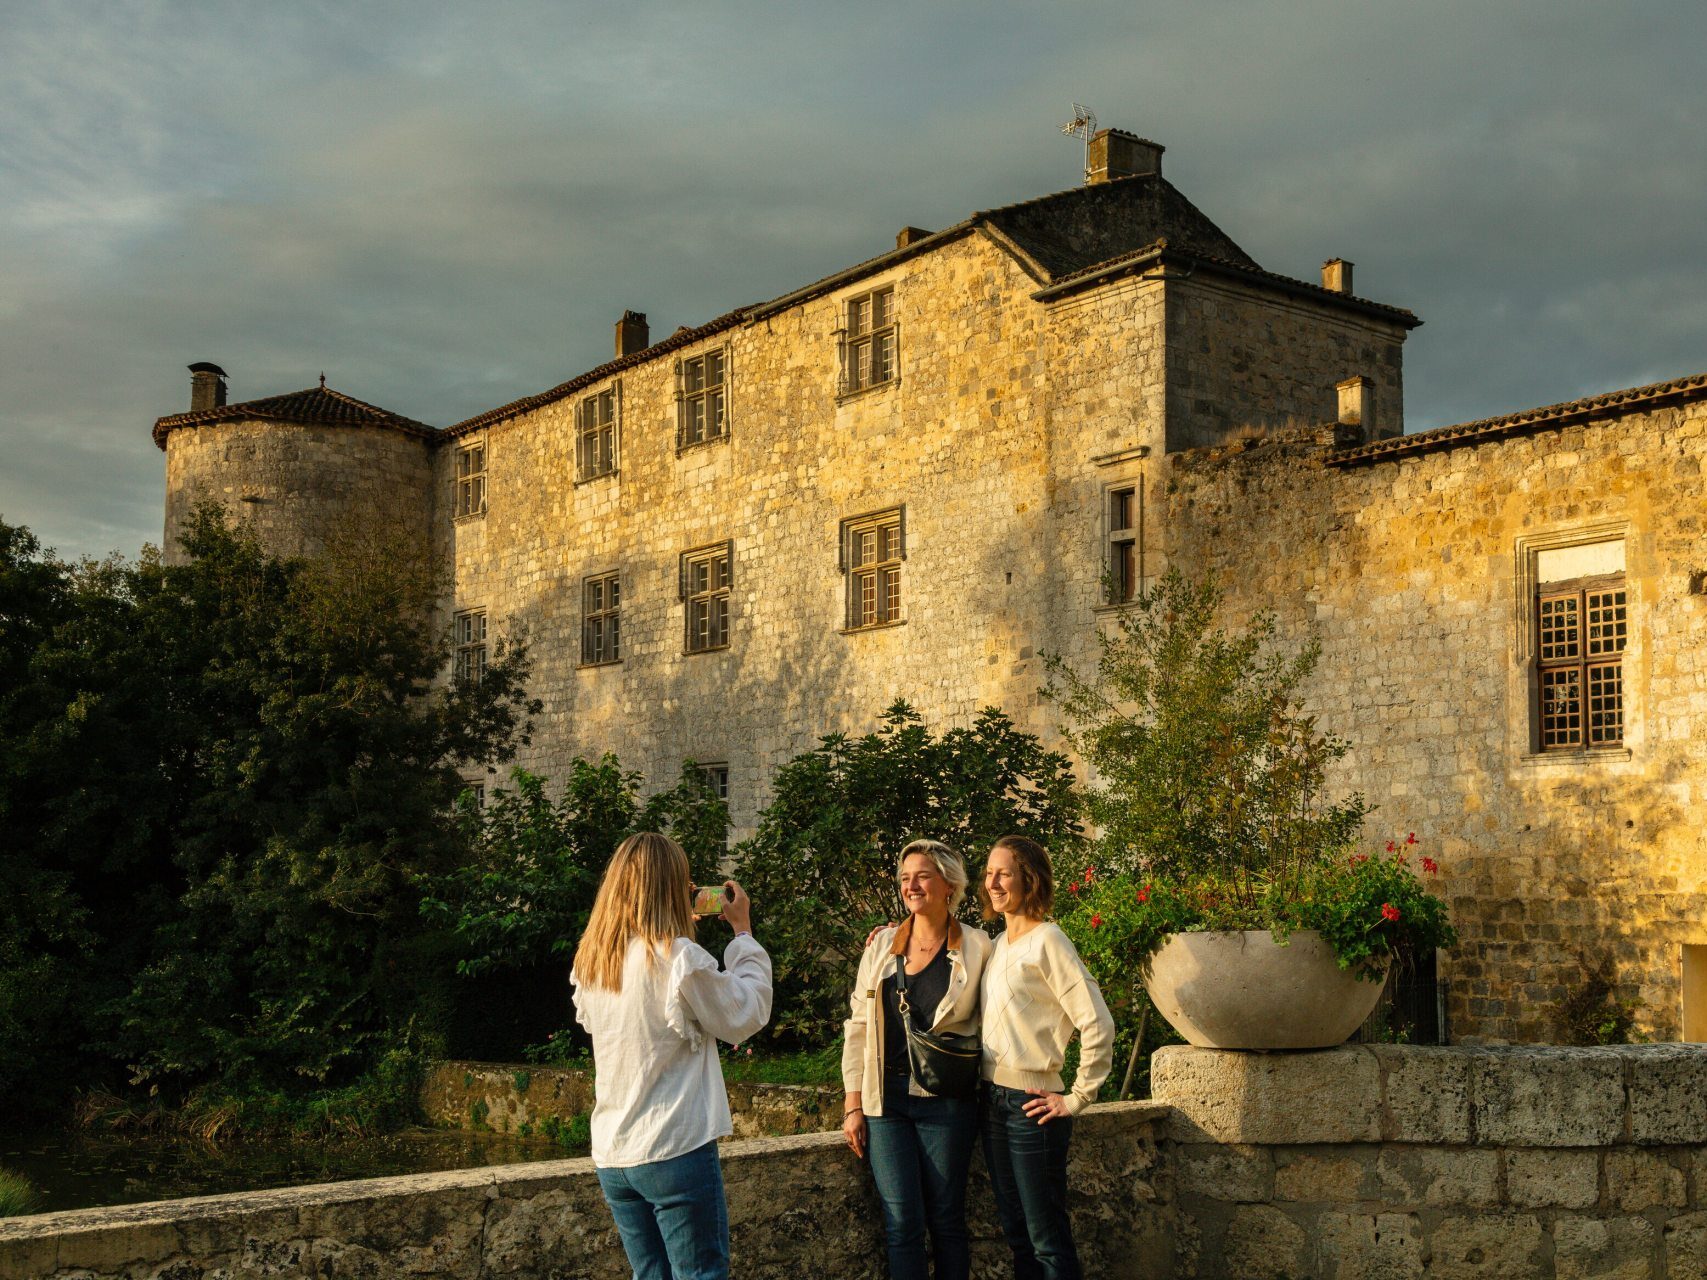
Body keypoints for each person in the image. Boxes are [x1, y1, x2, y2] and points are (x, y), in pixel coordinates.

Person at [571, 832, 772, 1280]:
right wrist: (742, 932)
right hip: (672, 1146)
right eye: (683, 881)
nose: (691, 889)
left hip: (614, 1152)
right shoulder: (677, 956)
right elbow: (745, 1012)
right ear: (667, 888)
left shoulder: (595, 961)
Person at [842, 839, 992, 1280]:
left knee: (946, 1221)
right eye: (905, 878)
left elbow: (1004, 1011)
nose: (911, 885)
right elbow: (858, 1026)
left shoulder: (979, 947)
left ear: (949, 884)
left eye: (922, 876)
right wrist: (853, 1103)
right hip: (886, 1104)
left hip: (946, 1103)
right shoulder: (883, 946)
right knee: (902, 1223)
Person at [978, 835, 1115, 1280]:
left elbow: (1097, 1022)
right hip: (994, 1102)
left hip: (1032, 1108)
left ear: (1028, 879)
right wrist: (888, 936)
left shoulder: (1049, 941)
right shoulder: (998, 945)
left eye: (1004, 873)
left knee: (1047, 1240)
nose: (992, 882)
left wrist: (1077, 1097)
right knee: (1017, 1235)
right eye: (989, 873)